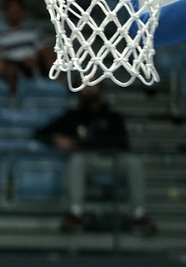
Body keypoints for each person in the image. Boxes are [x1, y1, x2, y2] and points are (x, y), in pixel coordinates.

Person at [35, 83, 155, 234]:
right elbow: (40, 133)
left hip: (111, 160)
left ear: (101, 89)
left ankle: (140, 214)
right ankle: (75, 213)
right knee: (76, 160)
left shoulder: (113, 117)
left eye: (93, 85)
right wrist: (56, 138)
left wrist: (89, 144)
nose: (89, 89)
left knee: (133, 162)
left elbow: (124, 144)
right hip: (86, 161)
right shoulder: (72, 116)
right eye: (85, 85)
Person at [0, 0, 50, 93]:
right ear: (5, 12)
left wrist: (35, 59)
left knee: (49, 56)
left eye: (17, 10)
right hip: (11, 63)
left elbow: (42, 50)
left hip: (32, 63)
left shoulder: (32, 32)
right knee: (11, 70)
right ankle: (14, 97)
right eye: (11, 11)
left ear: (22, 11)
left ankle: (62, 85)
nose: (14, 13)